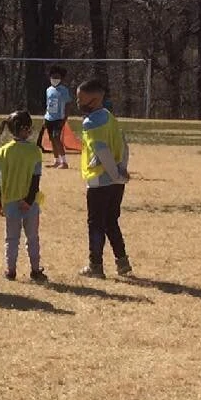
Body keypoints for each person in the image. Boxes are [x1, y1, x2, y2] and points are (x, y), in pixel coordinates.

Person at [77, 78, 132, 278]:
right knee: (111, 221)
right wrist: (122, 171)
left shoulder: (90, 123)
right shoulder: (110, 117)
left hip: (100, 182)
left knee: (95, 224)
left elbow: (102, 150)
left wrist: (114, 173)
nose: (79, 104)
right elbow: (124, 145)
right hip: (117, 182)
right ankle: (122, 262)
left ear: (96, 98)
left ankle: (95, 266)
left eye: (81, 99)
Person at [0, 109, 47, 282]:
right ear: (25, 129)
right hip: (31, 203)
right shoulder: (35, 151)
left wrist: (0, 203)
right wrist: (29, 200)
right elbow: (35, 178)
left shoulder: (2, 152)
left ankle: (10, 270)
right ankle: (35, 270)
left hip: (9, 201)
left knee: (11, 238)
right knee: (32, 238)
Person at [42, 67, 71, 168]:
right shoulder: (48, 90)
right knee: (52, 140)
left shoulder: (64, 90)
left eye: (57, 77)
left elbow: (67, 104)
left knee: (56, 138)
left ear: (61, 78)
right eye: (53, 77)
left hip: (59, 118)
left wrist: (65, 118)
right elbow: (48, 104)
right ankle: (56, 161)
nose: (55, 79)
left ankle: (64, 162)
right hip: (49, 118)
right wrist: (45, 118)